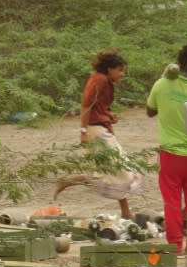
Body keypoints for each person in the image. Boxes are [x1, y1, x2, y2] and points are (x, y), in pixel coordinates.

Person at [54, 50, 142, 220]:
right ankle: (69, 181)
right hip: (95, 130)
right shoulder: (99, 80)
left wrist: (109, 115)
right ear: (109, 69)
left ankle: (125, 211)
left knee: (115, 170)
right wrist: (83, 131)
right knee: (119, 169)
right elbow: (86, 106)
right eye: (119, 69)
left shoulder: (104, 81)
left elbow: (98, 107)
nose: (122, 74)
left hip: (100, 127)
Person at [146, 53, 187, 254]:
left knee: (172, 202)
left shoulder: (162, 85)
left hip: (170, 157)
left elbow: (150, 111)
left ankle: (175, 246)